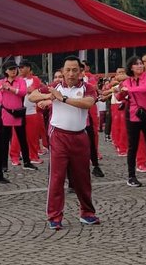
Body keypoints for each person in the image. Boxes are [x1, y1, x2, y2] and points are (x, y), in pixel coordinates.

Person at [29, 55, 100, 229]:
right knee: (57, 177)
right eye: (67, 70)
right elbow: (32, 96)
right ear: (62, 71)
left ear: (81, 71)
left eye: (75, 70)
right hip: (59, 136)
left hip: (80, 136)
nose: (71, 73)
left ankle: (87, 212)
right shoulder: (55, 86)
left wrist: (63, 99)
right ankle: (54, 216)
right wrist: (47, 96)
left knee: (82, 177)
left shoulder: (88, 88)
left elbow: (87, 103)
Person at [115, 56, 146, 188]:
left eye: (141, 63)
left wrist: (128, 89)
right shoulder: (127, 81)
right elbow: (119, 96)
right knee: (133, 147)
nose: (140, 66)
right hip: (132, 116)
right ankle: (131, 176)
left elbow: (145, 88)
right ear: (131, 67)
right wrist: (120, 92)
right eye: (136, 64)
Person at [0, 60, 37, 171]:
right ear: (6, 71)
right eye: (11, 69)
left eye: (15, 68)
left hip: (18, 113)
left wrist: (9, 88)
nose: (14, 71)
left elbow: (23, 92)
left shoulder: (20, 81)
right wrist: (0, 88)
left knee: (23, 139)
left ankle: (27, 162)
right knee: (4, 140)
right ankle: (4, 164)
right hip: (6, 113)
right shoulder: (1, 82)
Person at [9, 59, 43, 165]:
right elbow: (22, 91)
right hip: (19, 112)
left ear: (28, 68)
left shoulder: (35, 79)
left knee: (32, 136)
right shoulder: (17, 80)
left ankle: (33, 156)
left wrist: (21, 90)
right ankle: (14, 156)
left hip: (31, 111)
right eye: (19, 67)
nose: (20, 69)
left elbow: (32, 90)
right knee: (16, 137)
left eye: (22, 67)